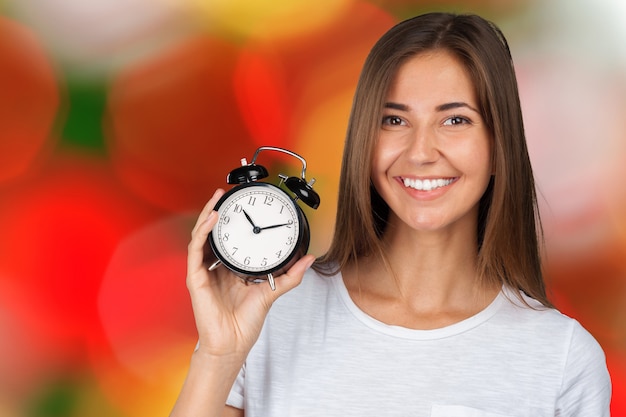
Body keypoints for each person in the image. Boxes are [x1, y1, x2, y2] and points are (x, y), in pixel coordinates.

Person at [170, 12, 611, 417]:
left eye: (454, 120)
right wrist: (219, 355)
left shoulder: (561, 357)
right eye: (394, 121)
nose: (420, 152)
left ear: (500, 146)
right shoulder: (271, 316)